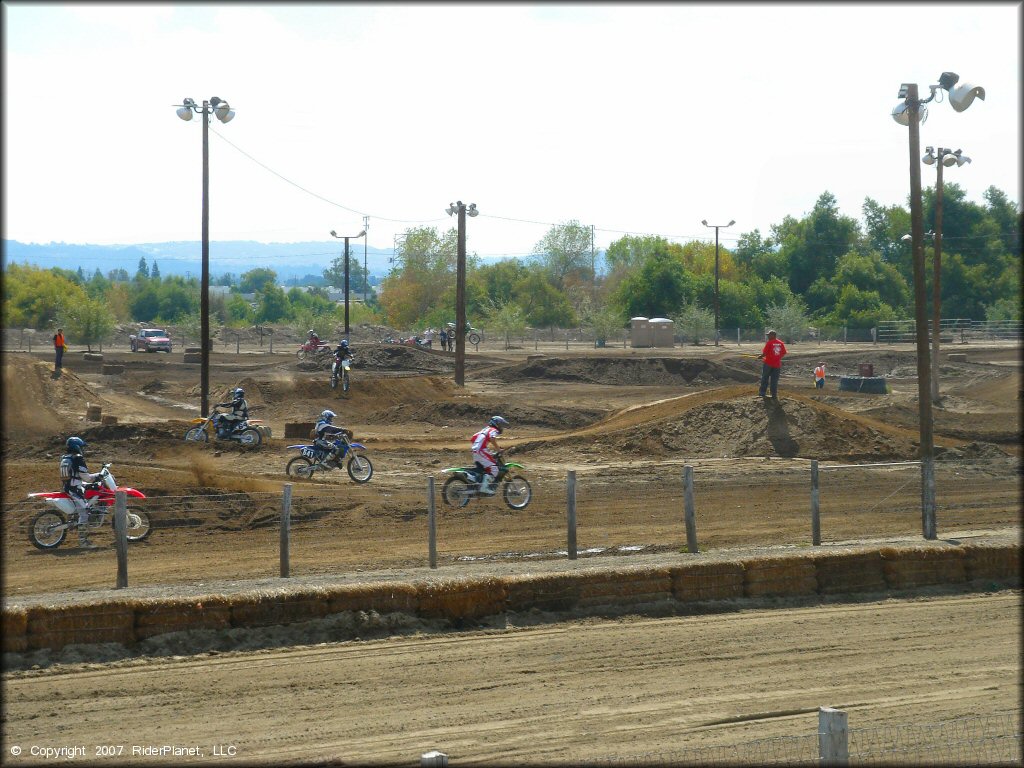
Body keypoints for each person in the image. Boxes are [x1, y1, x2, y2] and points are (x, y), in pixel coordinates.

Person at [60, 436, 102, 549]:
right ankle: (83, 542)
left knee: (88, 493)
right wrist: (99, 475)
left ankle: (75, 520)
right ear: (77, 447)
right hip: (74, 489)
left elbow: (76, 476)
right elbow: (86, 477)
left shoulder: (65, 457)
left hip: (68, 487)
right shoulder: (78, 458)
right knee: (85, 513)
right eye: (81, 447)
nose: (82, 449)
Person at [470, 416, 509, 496]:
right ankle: (484, 488)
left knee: (485, 469)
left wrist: (487, 450)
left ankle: (480, 485)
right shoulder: (492, 430)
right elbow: (492, 438)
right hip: (481, 451)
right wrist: (498, 450)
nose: (501, 427)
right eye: (500, 424)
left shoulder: (484, 430)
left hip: (475, 451)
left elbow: (473, 438)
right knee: (494, 469)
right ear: (496, 424)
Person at [757, 330, 788, 400]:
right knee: (774, 380)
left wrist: (760, 356)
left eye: (769, 335)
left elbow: (764, 353)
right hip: (777, 364)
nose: (768, 336)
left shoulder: (769, 343)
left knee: (765, 378)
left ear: (773, 335)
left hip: (768, 363)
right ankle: (774, 395)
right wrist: (778, 358)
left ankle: (762, 393)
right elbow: (784, 353)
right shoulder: (781, 343)